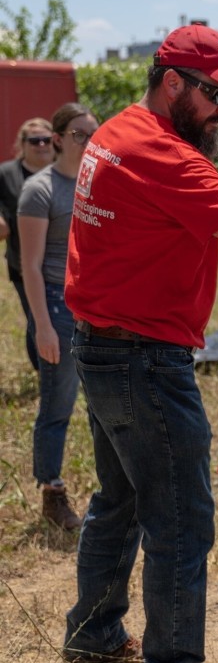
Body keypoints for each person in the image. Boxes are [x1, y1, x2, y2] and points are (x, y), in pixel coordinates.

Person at [62, 25, 218, 663]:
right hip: (144, 356)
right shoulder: (160, 152)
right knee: (180, 518)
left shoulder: (117, 130)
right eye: (215, 96)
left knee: (119, 499)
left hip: (105, 345)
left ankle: (94, 632)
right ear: (173, 82)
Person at [18, 104, 98, 529]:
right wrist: (43, 327)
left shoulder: (97, 184)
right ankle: (52, 492)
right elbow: (30, 266)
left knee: (102, 404)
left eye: (94, 134)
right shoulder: (40, 189)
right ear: (59, 139)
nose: (89, 142)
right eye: (80, 134)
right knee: (58, 403)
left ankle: (113, 492)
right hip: (56, 302)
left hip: (93, 301)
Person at [0, 118, 55, 370]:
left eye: (46, 140)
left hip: (60, 264)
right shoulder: (6, 174)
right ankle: (44, 372)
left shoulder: (65, 171)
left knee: (61, 321)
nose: (41, 145)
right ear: (22, 144)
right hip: (23, 264)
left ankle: (61, 373)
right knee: (37, 319)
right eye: (34, 141)